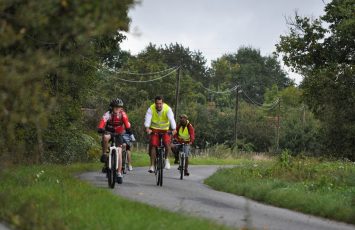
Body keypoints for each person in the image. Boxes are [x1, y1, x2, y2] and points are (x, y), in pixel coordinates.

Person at [97, 98, 132, 184]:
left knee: (119, 151)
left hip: (119, 134)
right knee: (105, 137)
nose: (117, 109)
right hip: (109, 132)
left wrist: (128, 129)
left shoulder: (123, 114)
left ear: (121, 108)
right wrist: (101, 128)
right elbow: (102, 121)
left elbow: (127, 123)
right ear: (112, 107)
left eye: (119, 107)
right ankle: (104, 154)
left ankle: (119, 173)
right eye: (115, 107)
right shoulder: (108, 114)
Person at [144, 96, 177, 173]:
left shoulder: (167, 109)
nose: (159, 105)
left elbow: (171, 119)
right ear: (155, 103)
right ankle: (152, 165)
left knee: (166, 142)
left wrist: (174, 129)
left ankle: (166, 159)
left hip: (165, 130)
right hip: (154, 129)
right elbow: (147, 118)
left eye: (160, 103)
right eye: (157, 103)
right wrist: (147, 128)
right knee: (153, 145)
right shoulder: (151, 108)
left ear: (163, 103)